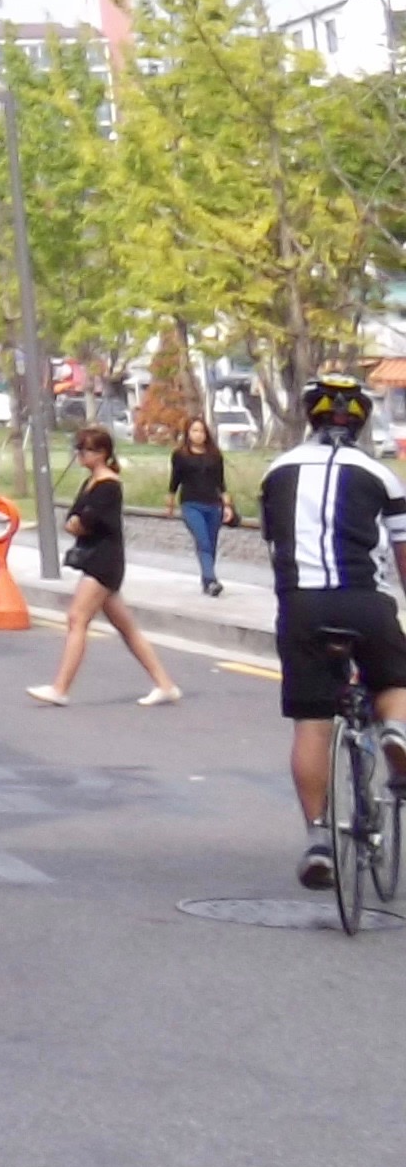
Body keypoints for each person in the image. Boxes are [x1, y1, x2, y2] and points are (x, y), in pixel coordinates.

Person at [262, 374, 406, 889]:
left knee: (312, 720)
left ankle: (319, 838)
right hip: (365, 600)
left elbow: (275, 545)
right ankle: (396, 732)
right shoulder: (381, 475)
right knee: (395, 684)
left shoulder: (277, 472)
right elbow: (402, 552)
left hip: (302, 605)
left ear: (311, 416)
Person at [29, 425, 179, 706]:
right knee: (127, 628)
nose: (81, 454)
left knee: (77, 618)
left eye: (86, 449)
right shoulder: (91, 483)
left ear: (102, 453)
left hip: (104, 560)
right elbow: (74, 517)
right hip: (96, 557)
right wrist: (77, 522)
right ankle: (165, 684)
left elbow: (89, 521)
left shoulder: (109, 485)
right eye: (79, 449)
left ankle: (60, 688)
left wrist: (79, 523)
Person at [166, 416, 232, 596]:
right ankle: (212, 579)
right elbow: (175, 479)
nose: (198, 434)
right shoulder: (180, 455)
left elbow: (221, 482)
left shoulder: (215, 455)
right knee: (202, 541)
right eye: (194, 430)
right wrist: (170, 500)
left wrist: (227, 505)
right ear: (188, 433)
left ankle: (207, 581)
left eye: (201, 431)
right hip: (191, 504)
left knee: (211, 544)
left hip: (213, 504)